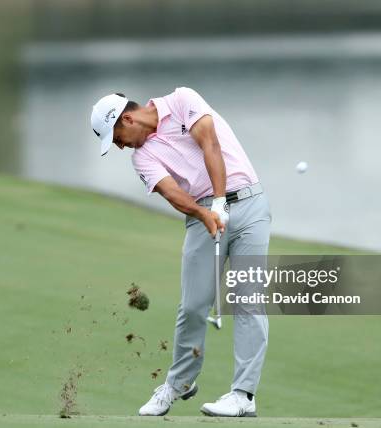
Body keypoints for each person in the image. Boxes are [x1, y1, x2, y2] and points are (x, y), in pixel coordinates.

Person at [89, 87, 271, 417]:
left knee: (248, 301)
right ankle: (178, 384)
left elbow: (209, 143)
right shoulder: (142, 157)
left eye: (116, 138)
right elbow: (172, 194)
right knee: (192, 305)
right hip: (200, 214)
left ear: (127, 119)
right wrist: (206, 213)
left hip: (250, 206)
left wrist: (220, 201)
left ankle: (243, 395)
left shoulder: (182, 101)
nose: (119, 146)